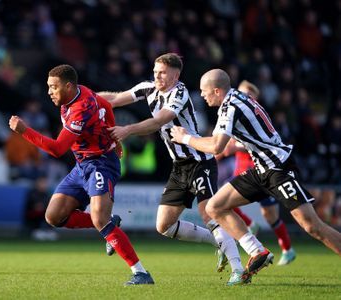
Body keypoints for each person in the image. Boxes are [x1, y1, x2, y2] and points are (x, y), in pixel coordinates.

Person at [170, 69, 341, 281]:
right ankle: (257, 251)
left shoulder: (230, 106)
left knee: (312, 226)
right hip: (261, 169)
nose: (203, 96)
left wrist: (185, 138)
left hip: (278, 168)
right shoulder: (238, 98)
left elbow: (216, 146)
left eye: (205, 92)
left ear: (216, 90)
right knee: (215, 206)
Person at [99, 53, 247, 286]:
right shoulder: (148, 88)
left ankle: (238, 270)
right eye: (156, 71)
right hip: (179, 166)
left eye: (163, 72)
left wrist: (127, 130)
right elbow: (116, 99)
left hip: (200, 161)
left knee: (210, 214)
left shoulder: (179, 93)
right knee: (164, 226)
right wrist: (85, 98)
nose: (157, 76)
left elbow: (160, 121)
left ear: (176, 75)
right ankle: (219, 242)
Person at [8, 64, 154, 286]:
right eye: (48, 87)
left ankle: (141, 273)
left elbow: (57, 149)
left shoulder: (80, 108)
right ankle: (110, 224)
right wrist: (113, 137)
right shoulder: (77, 94)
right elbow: (106, 105)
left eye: (53, 87)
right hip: (82, 165)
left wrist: (24, 131)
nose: (49, 92)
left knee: (99, 219)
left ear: (68, 86)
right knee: (54, 216)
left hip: (101, 164)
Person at [222, 80, 296, 266]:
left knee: (270, 215)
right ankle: (249, 225)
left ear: (255, 98)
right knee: (222, 201)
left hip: (263, 170)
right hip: (244, 172)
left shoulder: (257, 116)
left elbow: (258, 145)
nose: (243, 97)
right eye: (241, 93)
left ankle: (287, 248)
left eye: (248, 94)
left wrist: (233, 147)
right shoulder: (231, 113)